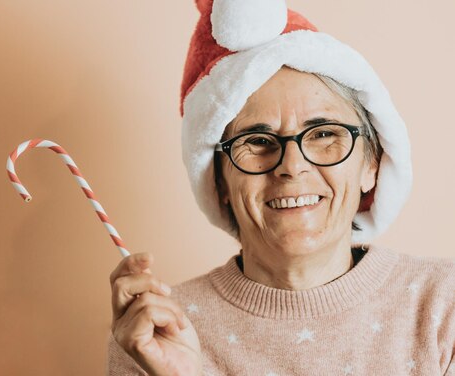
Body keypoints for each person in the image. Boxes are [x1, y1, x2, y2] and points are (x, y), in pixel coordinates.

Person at [106, 1, 454, 375]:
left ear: (371, 165)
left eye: (323, 134)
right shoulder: (154, 334)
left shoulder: (443, 305)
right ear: (219, 180)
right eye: (257, 140)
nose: (291, 166)